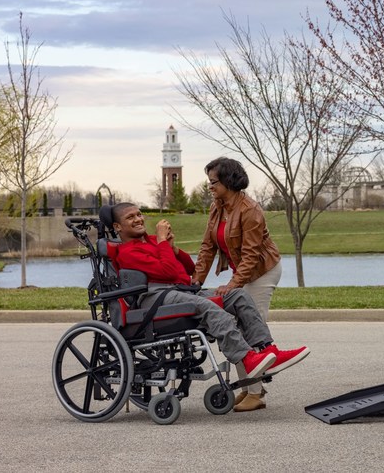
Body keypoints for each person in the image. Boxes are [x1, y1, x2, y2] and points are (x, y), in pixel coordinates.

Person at [108, 202, 309, 396]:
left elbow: (188, 269)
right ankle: (247, 358)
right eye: (130, 217)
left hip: (180, 290)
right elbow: (168, 271)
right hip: (156, 298)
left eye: (139, 214)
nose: (138, 219)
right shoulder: (126, 252)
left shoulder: (153, 241)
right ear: (117, 226)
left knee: (237, 295)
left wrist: (173, 248)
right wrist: (162, 243)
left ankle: (267, 348)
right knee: (207, 306)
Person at [193, 157, 293, 412]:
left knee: (250, 325)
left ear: (228, 181)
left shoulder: (250, 210)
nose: (210, 187)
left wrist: (232, 285)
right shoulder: (218, 207)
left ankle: (256, 394)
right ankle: (249, 388)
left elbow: (251, 256)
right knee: (233, 326)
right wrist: (195, 282)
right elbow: (208, 248)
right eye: (209, 182)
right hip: (244, 273)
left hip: (262, 272)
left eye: (213, 182)